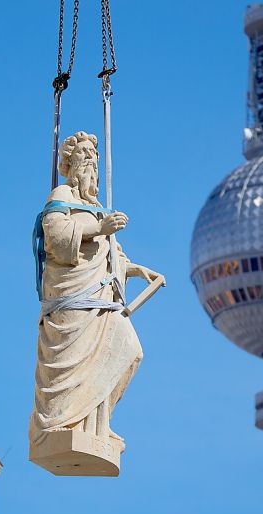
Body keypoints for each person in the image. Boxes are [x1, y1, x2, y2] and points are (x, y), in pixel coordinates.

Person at [29, 131, 161, 449]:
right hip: (72, 298)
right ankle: (61, 424)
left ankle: (100, 421)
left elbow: (107, 255)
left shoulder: (96, 206)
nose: (90, 158)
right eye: (84, 153)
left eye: (94, 155)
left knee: (130, 351)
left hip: (100, 297)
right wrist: (100, 227)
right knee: (70, 365)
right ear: (70, 161)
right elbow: (57, 240)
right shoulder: (61, 196)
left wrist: (133, 268)